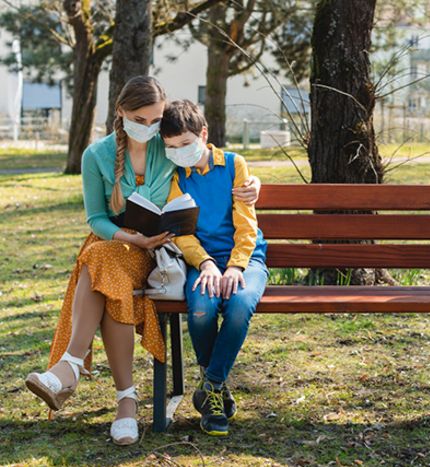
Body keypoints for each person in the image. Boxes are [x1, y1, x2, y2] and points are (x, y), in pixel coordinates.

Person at [24, 76, 261, 445]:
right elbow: (95, 219)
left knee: (99, 266)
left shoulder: (165, 148)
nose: (149, 128)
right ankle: (123, 402)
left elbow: (207, 161)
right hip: (116, 243)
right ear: (120, 112)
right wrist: (129, 236)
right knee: (105, 264)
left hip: (158, 253)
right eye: (140, 119)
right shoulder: (96, 156)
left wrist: (254, 184)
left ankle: (73, 370)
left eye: (155, 120)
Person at [161, 99, 268, 437]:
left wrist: (236, 266)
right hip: (201, 261)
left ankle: (210, 386)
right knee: (202, 310)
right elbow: (183, 233)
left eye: (186, 144)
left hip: (245, 258)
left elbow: (246, 225)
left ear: (203, 134)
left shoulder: (235, 165)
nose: (180, 152)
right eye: (172, 147)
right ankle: (216, 390)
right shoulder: (175, 176)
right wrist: (205, 263)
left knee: (238, 307)